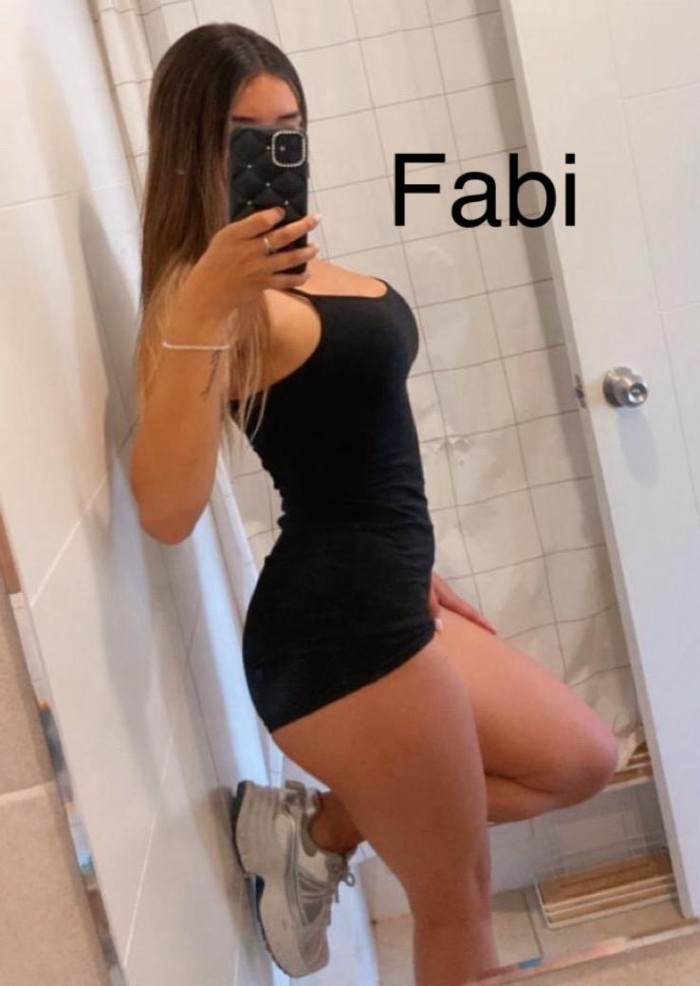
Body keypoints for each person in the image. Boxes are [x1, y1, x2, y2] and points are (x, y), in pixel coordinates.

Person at [129, 22, 619, 986]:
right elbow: (165, 510)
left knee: (582, 759)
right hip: (339, 633)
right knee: (457, 905)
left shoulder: (293, 264)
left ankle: (322, 828)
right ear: (192, 150)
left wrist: (415, 559)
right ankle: (333, 830)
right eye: (245, 135)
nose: (275, 152)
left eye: (290, 129)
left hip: (389, 588)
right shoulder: (199, 300)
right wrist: (206, 305)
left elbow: (350, 438)